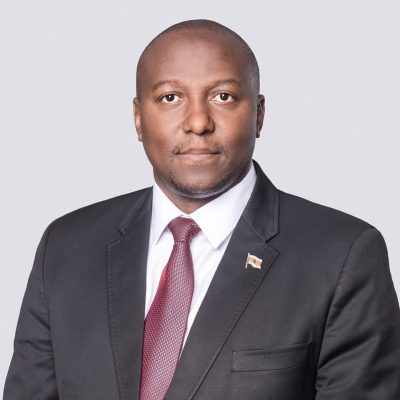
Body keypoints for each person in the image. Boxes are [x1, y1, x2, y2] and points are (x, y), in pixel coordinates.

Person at [4, 19, 400, 400]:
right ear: (139, 119)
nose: (197, 122)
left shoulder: (343, 256)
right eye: (170, 98)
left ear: (259, 114)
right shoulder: (66, 247)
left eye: (223, 96)